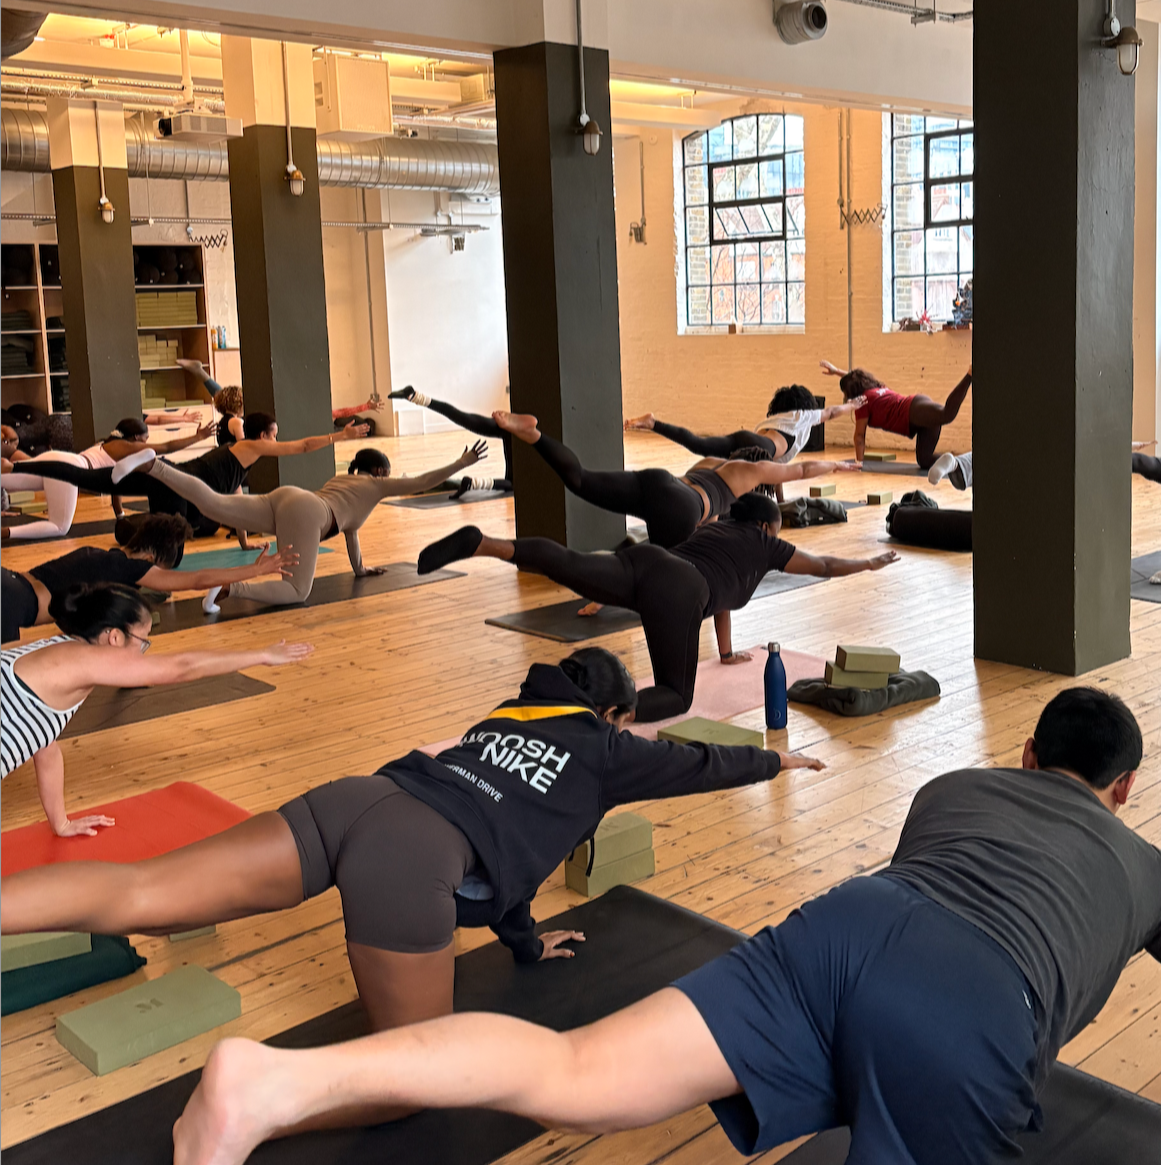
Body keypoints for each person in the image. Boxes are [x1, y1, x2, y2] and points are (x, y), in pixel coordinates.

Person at [166, 686, 1161, 1165]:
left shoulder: (960, 783)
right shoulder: (1142, 862)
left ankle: (274, 1078)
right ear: (1124, 788)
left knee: (577, 1073)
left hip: (846, 927)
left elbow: (933, 894)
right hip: (977, 996)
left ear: (1026, 751)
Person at [1, 645, 824, 1034]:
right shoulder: (607, 752)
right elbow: (693, 763)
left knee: (140, 891)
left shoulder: (502, 716)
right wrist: (776, 761)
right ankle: (258, 1086)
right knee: (413, 1069)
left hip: (358, 796)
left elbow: (513, 849)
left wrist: (528, 939)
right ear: (613, 715)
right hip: (412, 857)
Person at [418, 493, 899, 722]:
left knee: (567, 563)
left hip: (648, 560)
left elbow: (726, 598)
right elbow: (824, 564)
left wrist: (726, 653)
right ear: (764, 528)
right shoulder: (765, 545)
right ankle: (598, 718)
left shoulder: (716, 531)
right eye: (775, 528)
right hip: (679, 591)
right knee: (676, 696)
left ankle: (488, 544)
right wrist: (868, 563)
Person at [0, 582, 312, 835]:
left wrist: (61, 823)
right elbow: (182, 667)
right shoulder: (84, 660)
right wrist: (261, 655)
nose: (145, 652)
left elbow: (46, 749)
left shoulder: (55, 652)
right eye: (143, 641)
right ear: (114, 637)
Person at [101, 441, 488, 610]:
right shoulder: (376, 485)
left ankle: (155, 465)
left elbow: (351, 532)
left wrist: (360, 568)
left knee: (212, 503)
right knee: (298, 591)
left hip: (289, 497)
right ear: (379, 471)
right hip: (308, 513)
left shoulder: (345, 480)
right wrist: (461, 464)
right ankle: (230, 588)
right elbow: (421, 482)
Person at [493, 410, 860, 550]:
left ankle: (533, 434)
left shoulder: (714, 462)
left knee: (579, 479)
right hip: (681, 505)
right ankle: (602, 597)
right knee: (664, 571)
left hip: (661, 482)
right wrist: (837, 465)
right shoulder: (750, 473)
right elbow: (801, 470)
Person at [4, 415, 370, 544]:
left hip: (168, 476)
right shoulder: (251, 447)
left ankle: (15, 468)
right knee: (174, 534)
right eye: (273, 433)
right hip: (177, 483)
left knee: (92, 480)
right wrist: (341, 437)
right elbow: (303, 446)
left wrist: (243, 544)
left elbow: (236, 500)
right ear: (262, 435)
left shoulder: (239, 458)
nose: (275, 439)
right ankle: (143, 554)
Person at [0, 514, 298, 643]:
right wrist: (256, 570)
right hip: (11, 605)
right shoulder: (128, 569)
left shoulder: (101, 556)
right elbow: (199, 580)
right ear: (155, 557)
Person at [625, 385, 868, 501]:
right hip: (759, 448)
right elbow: (832, 412)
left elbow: (776, 471)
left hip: (748, 440)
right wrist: (852, 405)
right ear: (804, 405)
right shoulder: (802, 416)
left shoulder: (775, 418)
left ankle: (653, 423)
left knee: (699, 444)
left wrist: (781, 503)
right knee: (731, 480)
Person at [1, 416, 214, 540]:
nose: (146, 443)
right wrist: (199, 437)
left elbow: (115, 486)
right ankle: (5, 533)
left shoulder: (108, 443)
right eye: (144, 439)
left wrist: (120, 515)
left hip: (58, 459)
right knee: (60, 527)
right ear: (135, 438)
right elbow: (166, 447)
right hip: (71, 467)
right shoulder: (127, 447)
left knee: (7, 478)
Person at [177, 358, 387, 442]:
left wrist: (366, 406)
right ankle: (200, 373)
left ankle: (200, 373)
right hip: (264, 419)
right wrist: (366, 406)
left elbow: (339, 414)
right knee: (229, 400)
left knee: (228, 400)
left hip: (263, 421)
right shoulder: (302, 413)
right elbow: (339, 413)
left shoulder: (306, 415)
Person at [819, 359, 972, 471]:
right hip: (917, 416)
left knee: (947, 414)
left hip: (913, 411)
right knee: (925, 460)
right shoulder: (875, 388)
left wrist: (859, 463)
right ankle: (963, 462)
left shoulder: (862, 402)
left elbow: (859, 436)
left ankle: (970, 374)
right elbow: (855, 379)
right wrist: (836, 371)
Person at [388, 386, 514, 497]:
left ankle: (415, 396)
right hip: (523, 432)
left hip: (516, 423)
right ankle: (473, 483)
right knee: (514, 484)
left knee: (463, 417)